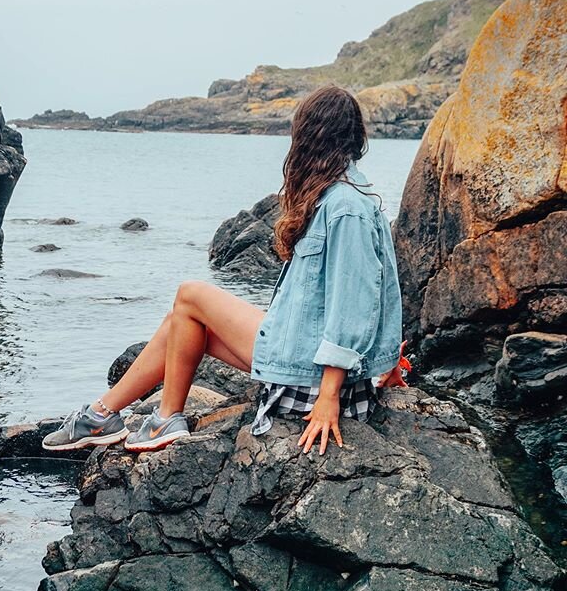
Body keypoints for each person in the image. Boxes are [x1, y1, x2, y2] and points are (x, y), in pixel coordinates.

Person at [42, 85, 406, 457]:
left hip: (312, 378)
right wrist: (389, 357)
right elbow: (382, 291)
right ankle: (103, 414)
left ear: (309, 136)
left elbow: (354, 305)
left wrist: (329, 396)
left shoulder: (345, 206)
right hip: (303, 352)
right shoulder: (344, 193)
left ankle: (161, 416)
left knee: (190, 295)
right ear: (353, 137)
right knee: (183, 323)